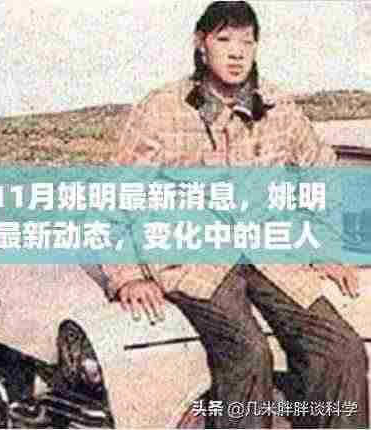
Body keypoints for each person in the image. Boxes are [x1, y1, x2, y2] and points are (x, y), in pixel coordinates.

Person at [102, 2, 369, 428]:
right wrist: (127, 276)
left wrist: (323, 244)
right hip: (193, 261)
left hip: (271, 255)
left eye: (247, 41)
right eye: (224, 39)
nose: (236, 52)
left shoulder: (278, 106)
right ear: (201, 44)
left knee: (341, 350)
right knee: (247, 352)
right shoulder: (161, 109)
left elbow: (322, 170)